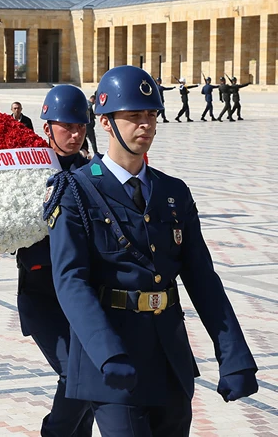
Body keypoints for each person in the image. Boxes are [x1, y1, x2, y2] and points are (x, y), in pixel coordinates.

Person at [46, 66, 258, 435]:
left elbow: (202, 277)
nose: (145, 125)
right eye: (133, 116)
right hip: (111, 361)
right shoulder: (75, 190)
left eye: (151, 114)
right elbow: (71, 281)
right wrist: (109, 352)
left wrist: (234, 355)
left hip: (169, 356)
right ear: (106, 123)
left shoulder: (173, 192)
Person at [17, 85, 94, 437]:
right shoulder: (26, 172)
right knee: (76, 373)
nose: (75, 134)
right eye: (67, 127)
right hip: (42, 294)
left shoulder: (93, 173)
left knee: (91, 381)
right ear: (47, 127)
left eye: (81, 126)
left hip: (84, 297)